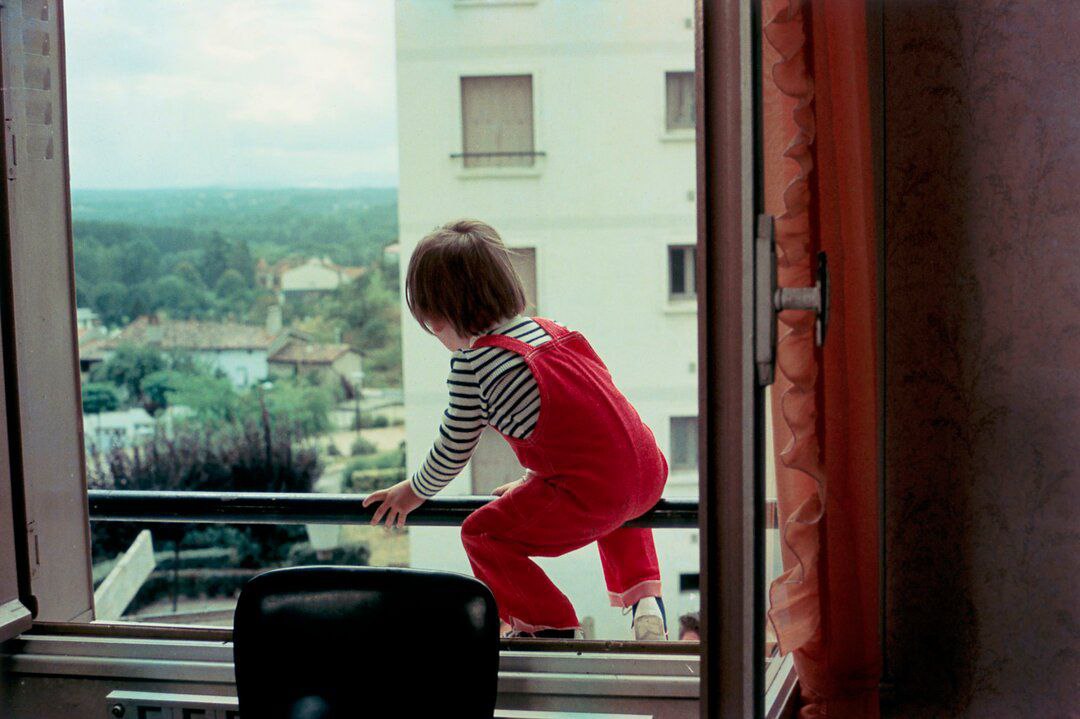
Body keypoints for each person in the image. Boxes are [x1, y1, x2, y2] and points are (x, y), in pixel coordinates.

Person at [363, 219, 669, 640]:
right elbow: (584, 428)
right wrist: (535, 482)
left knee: (481, 533)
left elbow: (454, 447)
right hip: (649, 469)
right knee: (619, 482)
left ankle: (549, 624)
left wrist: (413, 491)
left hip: (596, 492)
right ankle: (645, 597)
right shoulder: (552, 330)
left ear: (436, 317)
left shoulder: (471, 365)